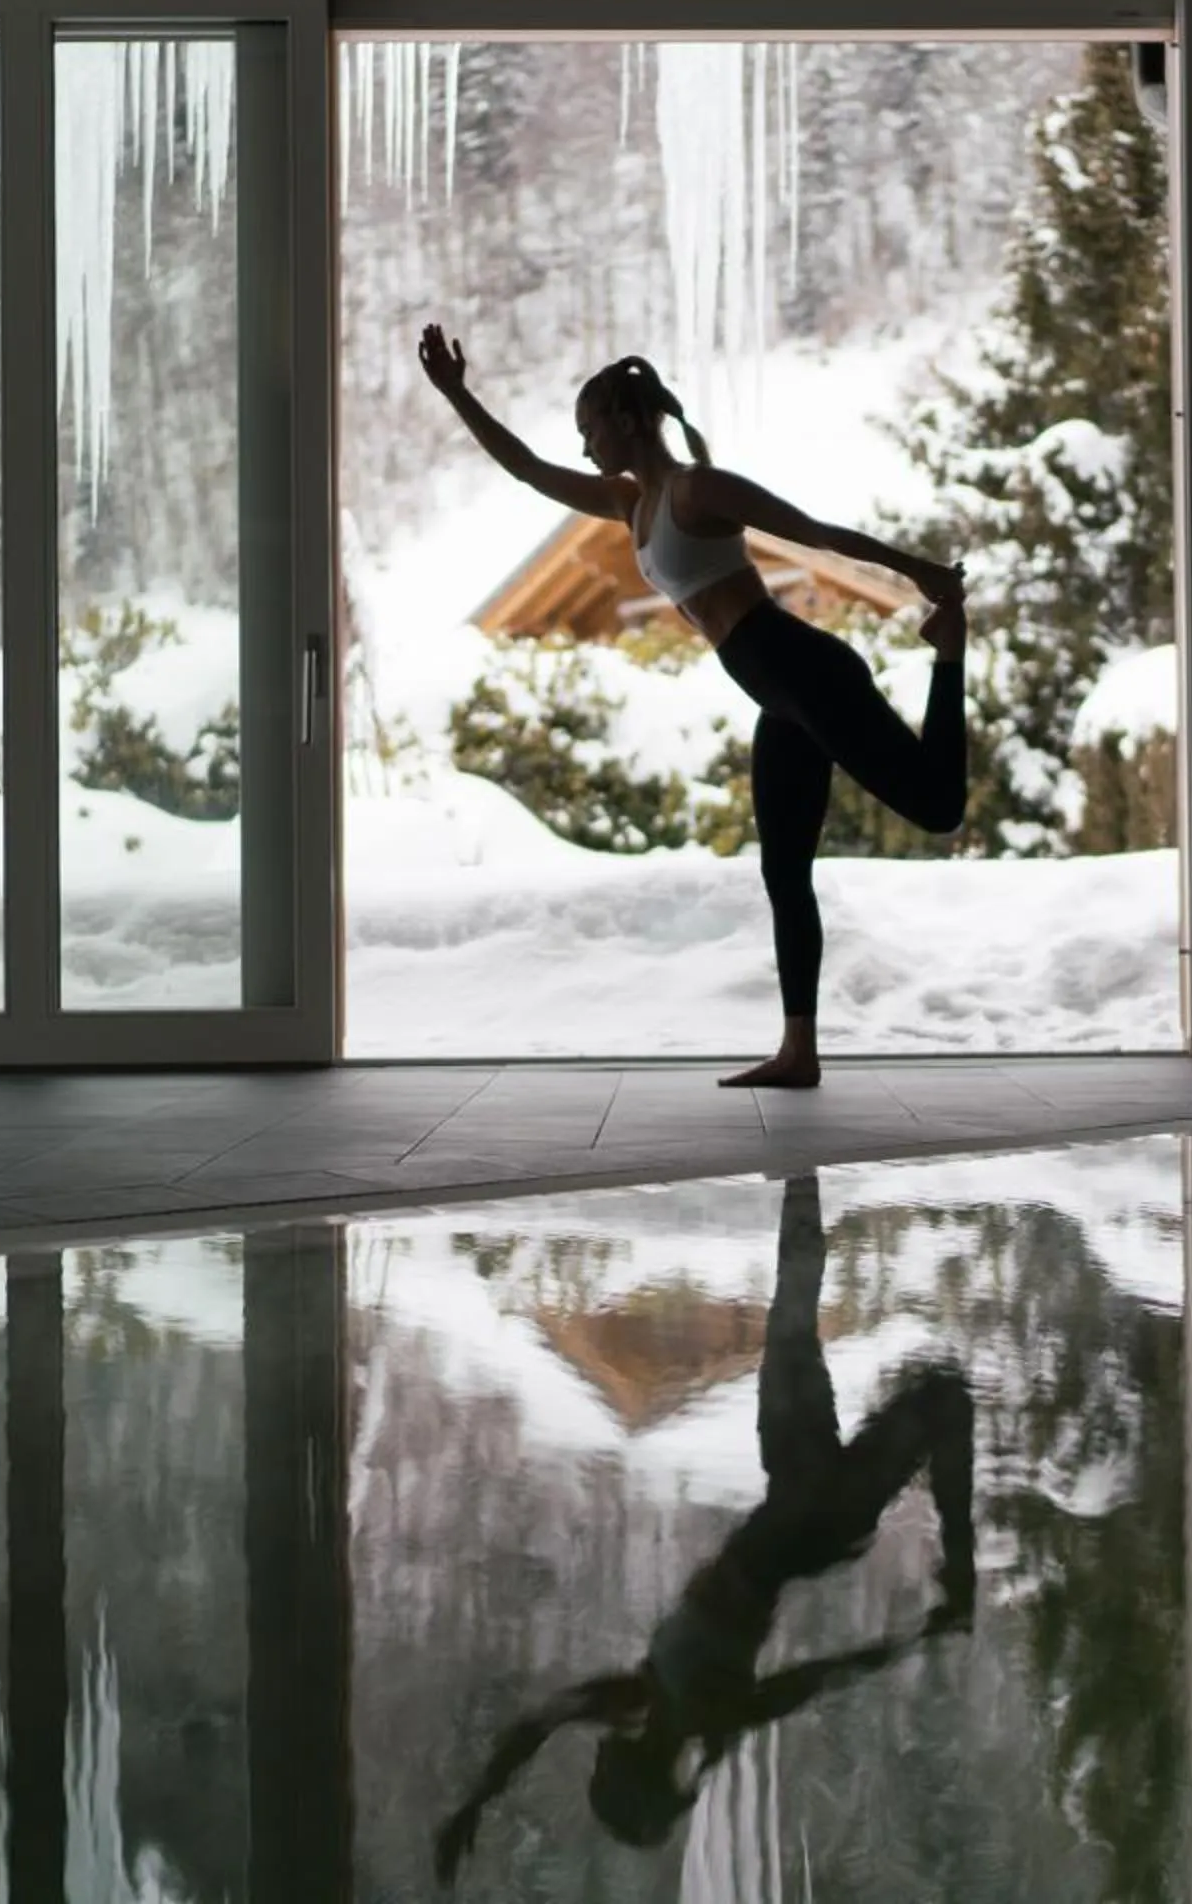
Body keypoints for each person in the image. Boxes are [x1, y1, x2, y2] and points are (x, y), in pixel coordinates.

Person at [420, 326, 969, 1089]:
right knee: (784, 872)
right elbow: (525, 471)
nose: (583, 448)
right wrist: (456, 393)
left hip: (805, 672)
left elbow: (815, 533)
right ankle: (798, 1051)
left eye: (590, 429)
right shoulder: (627, 503)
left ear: (627, 419)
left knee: (938, 807)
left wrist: (923, 573)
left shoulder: (698, 491)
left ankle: (949, 648)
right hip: (777, 699)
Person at [430, 1172, 978, 1885]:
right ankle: (961, 1566)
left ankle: (803, 1178)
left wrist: (475, 1803)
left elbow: (539, 1726)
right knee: (934, 1393)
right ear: (630, 1767)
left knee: (804, 1322)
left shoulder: (657, 1702)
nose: (598, 1748)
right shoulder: (683, 1709)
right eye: (607, 1762)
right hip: (814, 1520)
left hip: (799, 1493)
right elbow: (814, 1680)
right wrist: (907, 1636)